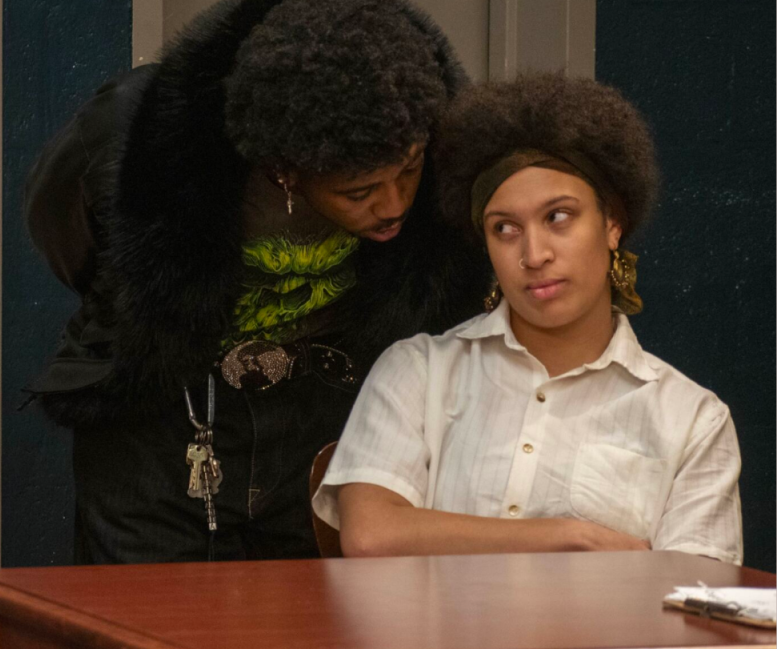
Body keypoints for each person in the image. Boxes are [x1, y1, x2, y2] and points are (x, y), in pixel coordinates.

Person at [24, 0, 486, 565]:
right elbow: (72, 240)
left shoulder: (440, 134)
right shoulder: (133, 140)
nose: (394, 204)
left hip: (329, 415)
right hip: (162, 413)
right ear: (285, 168)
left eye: (409, 169)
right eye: (359, 191)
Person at [314, 72, 743, 564]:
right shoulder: (419, 370)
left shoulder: (691, 419)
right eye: (505, 228)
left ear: (612, 224)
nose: (534, 254)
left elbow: (696, 606)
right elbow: (370, 535)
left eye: (558, 217)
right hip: (433, 643)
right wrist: (566, 536)